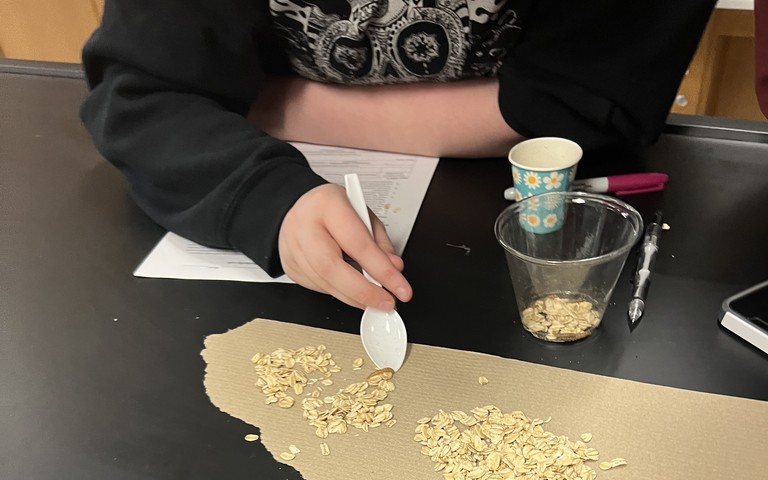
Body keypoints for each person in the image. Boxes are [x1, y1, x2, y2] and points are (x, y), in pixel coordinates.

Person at [81, 0, 715, 312]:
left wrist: (269, 103)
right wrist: (271, 199)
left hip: (534, 209)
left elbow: (585, 103)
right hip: (266, 188)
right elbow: (142, 94)